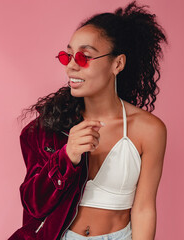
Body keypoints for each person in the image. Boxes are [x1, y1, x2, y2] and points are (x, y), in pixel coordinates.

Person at [9, 1, 168, 239]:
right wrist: (67, 155)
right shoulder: (48, 129)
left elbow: (144, 208)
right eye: (68, 56)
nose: (71, 66)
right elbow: (33, 204)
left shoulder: (149, 129)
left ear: (117, 63)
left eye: (84, 58)